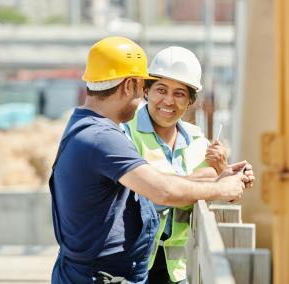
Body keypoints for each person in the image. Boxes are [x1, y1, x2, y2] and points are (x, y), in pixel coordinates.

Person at [50, 36, 253, 284]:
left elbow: (158, 183)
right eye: (146, 88)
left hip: (108, 273)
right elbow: (162, 190)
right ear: (130, 86)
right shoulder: (104, 137)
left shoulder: (90, 128)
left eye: (179, 93)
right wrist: (220, 188)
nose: (143, 100)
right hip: (98, 276)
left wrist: (220, 176)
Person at [124, 47, 254, 284]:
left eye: (180, 93)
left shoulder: (197, 140)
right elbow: (151, 190)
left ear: (191, 100)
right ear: (146, 91)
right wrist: (207, 179)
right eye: (161, 90)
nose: (168, 101)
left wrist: (227, 174)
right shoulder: (126, 132)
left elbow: (211, 190)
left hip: (178, 269)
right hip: (131, 263)